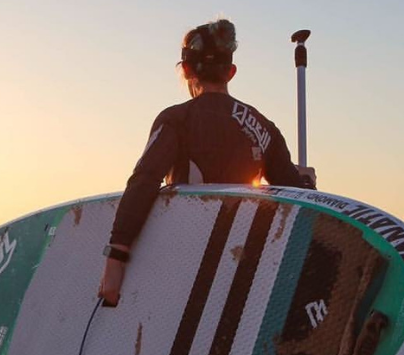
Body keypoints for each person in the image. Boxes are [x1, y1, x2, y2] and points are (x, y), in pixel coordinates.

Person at [98, 19, 316, 307]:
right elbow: (294, 199)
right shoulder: (265, 128)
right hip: (244, 265)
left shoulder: (177, 119)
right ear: (231, 72)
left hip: (184, 264)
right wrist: (305, 184)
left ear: (187, 69)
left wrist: (117, 258)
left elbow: (145, 181)